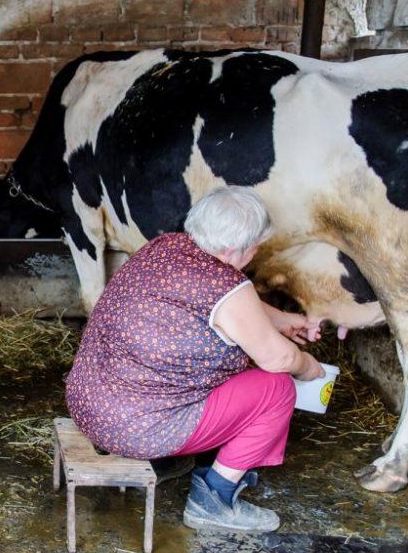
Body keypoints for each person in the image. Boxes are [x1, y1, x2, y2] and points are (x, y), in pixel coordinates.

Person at [64, 186, 324, 533]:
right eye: (256, 246)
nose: (257, 251)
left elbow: (233, 306)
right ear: (235, 250)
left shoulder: (166, 246)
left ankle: (176, 457)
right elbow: (279, 358)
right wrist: (309, 367)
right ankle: (214, 498)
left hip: (89, 404)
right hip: (138, 429)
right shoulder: (226, 283)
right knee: (276, 388)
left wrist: (281, 320)